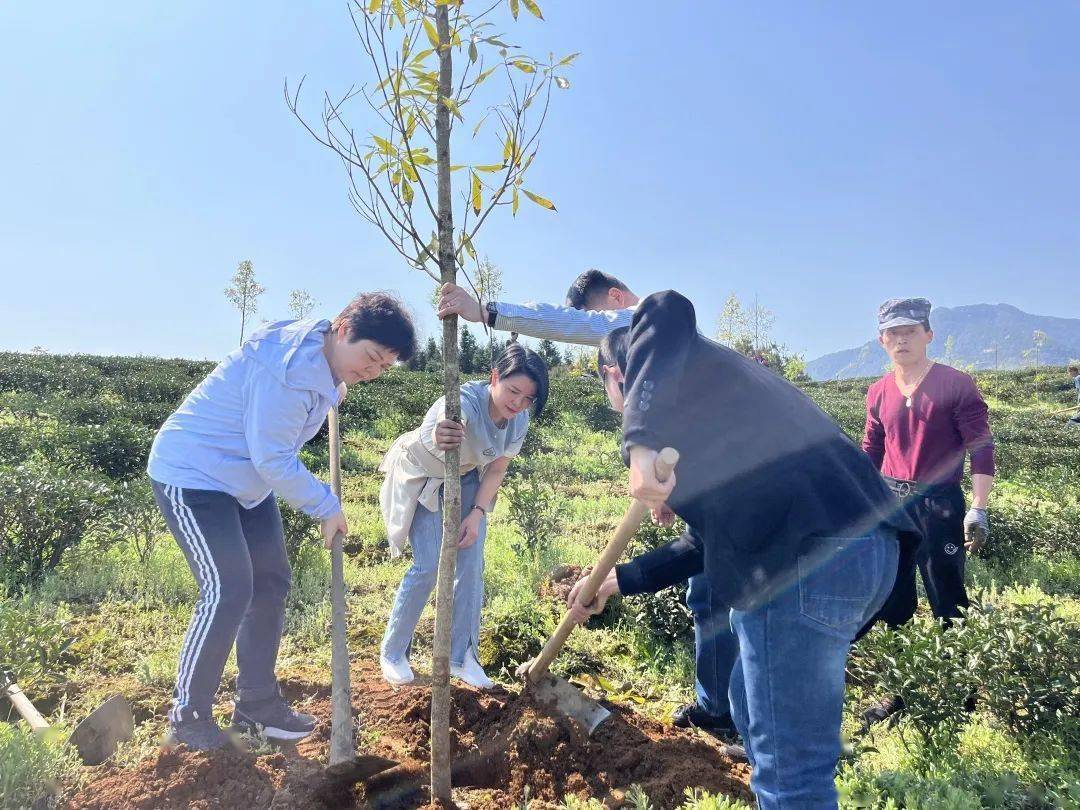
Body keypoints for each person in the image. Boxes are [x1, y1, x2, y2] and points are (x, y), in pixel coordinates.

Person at [566, 291, 918, 810]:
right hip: (864, 554)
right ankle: (769, 766)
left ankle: (779, 782)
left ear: (615, 372)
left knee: (793, 775)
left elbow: (665, 307)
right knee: (746, 699)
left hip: (806, 563)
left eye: (611, 392)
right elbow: (705, 543)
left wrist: (637, 443)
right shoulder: (718, 404)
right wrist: (619, 580)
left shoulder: (663, 350)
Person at [437, 271, 740, 737]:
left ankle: (743, 720)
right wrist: (677, 495)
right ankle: (717, 709)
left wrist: (488, 312)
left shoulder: (647, 323)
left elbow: (567, 324)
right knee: (707, 595)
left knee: (737, 603)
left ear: (616, 300)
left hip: (742, 496)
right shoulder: (682, 359)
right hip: (715, 480)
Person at [147, 292, 417, 751]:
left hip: (247, 481)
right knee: (228, 588)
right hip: (195, 473)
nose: (372, 372)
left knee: (271, 580)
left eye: (382, 368)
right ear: (343, 327)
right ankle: (187, 717)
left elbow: (272, 453)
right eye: (370, 358)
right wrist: (326, 505)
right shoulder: (287, 372)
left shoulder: (324, 359)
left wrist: (339, 382)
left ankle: (257, 705)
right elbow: (272, 456)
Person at [379, 343, 549, 689]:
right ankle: (394, 652)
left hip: (468, 476)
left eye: (527, 398)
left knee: (471, 562)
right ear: (495, 377)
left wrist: (477, 513)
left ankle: (462, 657)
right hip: (424, 474)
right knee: (428, 564)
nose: (516, 403)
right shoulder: (464, 401)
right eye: (513, 390)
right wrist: (443, 433)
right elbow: (441, 426)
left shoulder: (519, 421)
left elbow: (497, 469)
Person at [859, 298, 995, 728]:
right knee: (893, 597)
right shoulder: (878, 391)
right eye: (892, 333)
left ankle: (961, 692)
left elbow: (981, 448)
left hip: (940, 502)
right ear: (882, 340)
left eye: (910, 331)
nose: (901, 339)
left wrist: (978, 507)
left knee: (946, 592)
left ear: (928, 335)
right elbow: (871, 450)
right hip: (892, 501)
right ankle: (899, 688)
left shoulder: (956, 384)